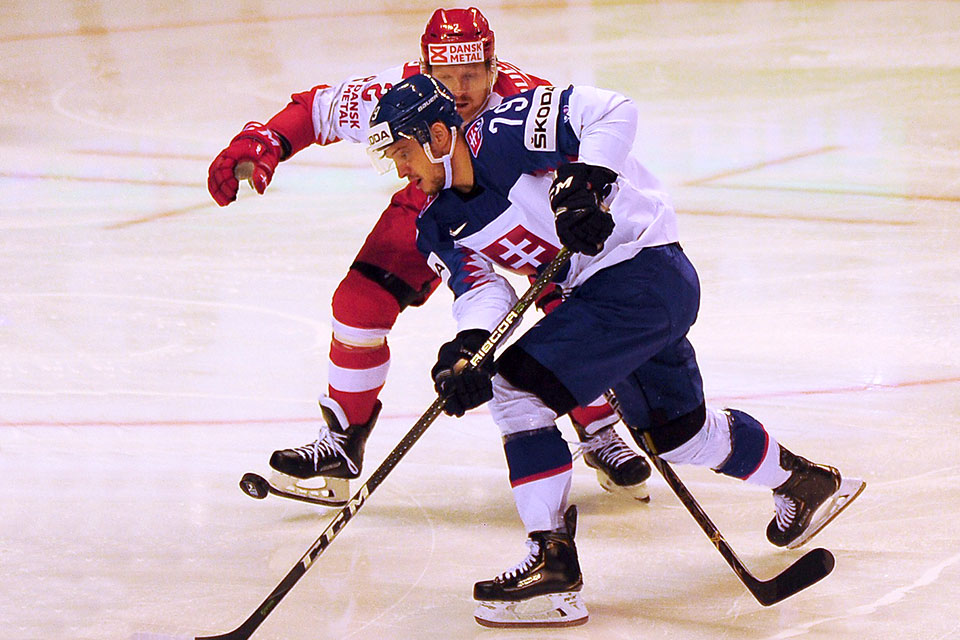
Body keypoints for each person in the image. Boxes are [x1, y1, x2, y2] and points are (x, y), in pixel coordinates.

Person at [366, 74, 866, 627]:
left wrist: (587, 180)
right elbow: (482, 290)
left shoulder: (505, 131)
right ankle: (802, 482)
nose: (400, 169)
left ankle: (552, 564)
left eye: (403, 151)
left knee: (516, 394)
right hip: (626, 295)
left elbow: (612, 111)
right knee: (680, 435)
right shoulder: (436, 224)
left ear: (438, 135)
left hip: (643, 270)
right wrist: (468, 349)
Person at [206, 8, 651, 505]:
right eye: (445, 77)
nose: (460, 91)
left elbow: (600, 144)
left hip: (521, 208)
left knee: (567, 307)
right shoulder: (401, 98)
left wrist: (588, 203)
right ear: (425, 70)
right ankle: (341, 440)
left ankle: (599, 427)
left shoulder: (528, 103)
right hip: (434, 202)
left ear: (494, 66)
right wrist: (263, 142)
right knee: (359, 303)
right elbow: (318, 110)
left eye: (472, 75)